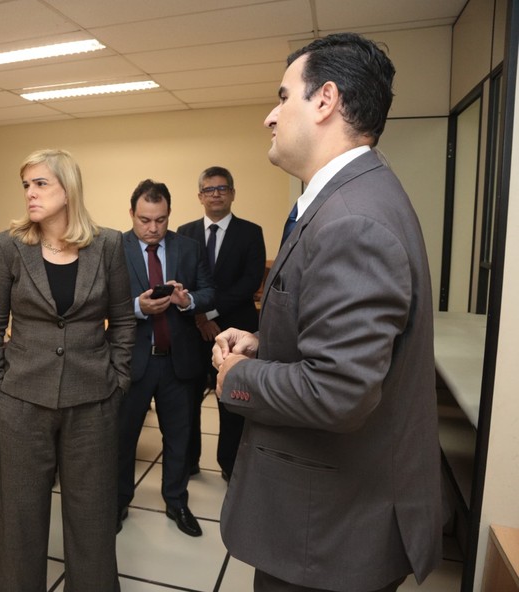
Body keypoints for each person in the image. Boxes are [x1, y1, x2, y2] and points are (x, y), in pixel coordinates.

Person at [212, 33, 442, 591]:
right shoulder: (349, 199)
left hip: (330, 534)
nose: (270, 116)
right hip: (327, 520)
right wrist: (266, 344)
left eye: (282, 96)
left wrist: (237, 378)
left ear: (325, 100)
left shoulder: (351, 220)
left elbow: (340, 390)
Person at [0, 148, 135, 592]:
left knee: (92, 519)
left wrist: (118, 381)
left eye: (40, 183)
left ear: (68, 191)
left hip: (93, 402)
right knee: (20, 521)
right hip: (23, 401)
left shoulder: (106, 244)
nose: (30, 192)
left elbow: (123, 320)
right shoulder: (9, 246)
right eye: (26, 184)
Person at [118, 179, 214, 537]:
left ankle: (176, 501)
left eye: (160, 220)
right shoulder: (115, 248)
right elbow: (100, 302)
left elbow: (208, 291)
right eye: (145, 220)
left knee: (179, 437)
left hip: (178, 361)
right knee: (124, 438)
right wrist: (137, 307)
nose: (153, 228)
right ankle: (118, 501)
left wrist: (188, 301)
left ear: (169, 214)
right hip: (133, 361)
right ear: (132, 214)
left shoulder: (188, 248)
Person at [176, 167, 266, 480]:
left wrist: (209, 314)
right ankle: (187, 462)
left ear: (232, 193)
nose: (216, 193)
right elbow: (182, 284)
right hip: (192, 331)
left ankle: (230, 465)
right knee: (187, 402)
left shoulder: (251, 232)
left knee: (232, 402)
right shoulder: (183, 233)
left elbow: (250, 282)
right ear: (200, 195)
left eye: (222, 188)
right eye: (209, 189)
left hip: (236, 334)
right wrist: (199, 317)